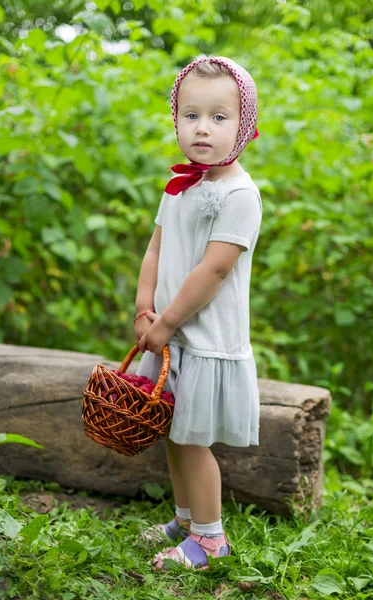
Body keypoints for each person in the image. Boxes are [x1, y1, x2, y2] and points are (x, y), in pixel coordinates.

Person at [133, 55, 262, 571]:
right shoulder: (181, 186)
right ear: (176, 120)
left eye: (218, 116)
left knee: (191, 441)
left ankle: (211, 540)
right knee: (171, 430)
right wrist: (146, 306)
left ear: (244, 124)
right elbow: (155, 251)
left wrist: (165, 323)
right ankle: (186, 518)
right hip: (171, 337)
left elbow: (213, 272)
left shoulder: (239, 194)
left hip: (203, 339)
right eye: (191, 115)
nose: (202, 128)